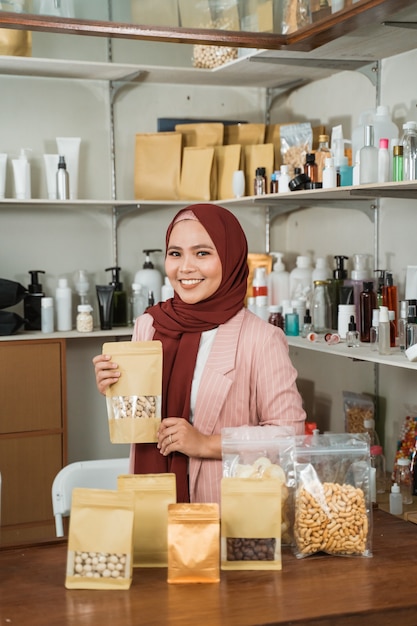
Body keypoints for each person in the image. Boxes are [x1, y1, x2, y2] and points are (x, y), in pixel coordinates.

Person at [93, 203, 306, 504]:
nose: (185, 267)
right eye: (175, 253)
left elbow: (289, 435)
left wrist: (205, 444)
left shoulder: (261, 339)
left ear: (230, 258)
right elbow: (140, 418)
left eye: (202, 253)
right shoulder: (149, 325)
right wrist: (115, 388)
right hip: (152, 503)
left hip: (225, 513)